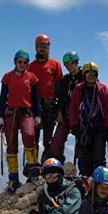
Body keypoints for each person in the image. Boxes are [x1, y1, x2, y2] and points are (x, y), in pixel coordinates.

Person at [0, 50, 42, 193]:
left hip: (26, 112)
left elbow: (35, 98)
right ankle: (13, 179)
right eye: (19, 61)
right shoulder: (7, 77)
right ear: (15, 62)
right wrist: (0, 117)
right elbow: (3, 98)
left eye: (25, 62)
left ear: (27, 64)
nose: (22, 64)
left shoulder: (32, 78)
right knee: (11, 145)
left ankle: (34, 172)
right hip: (10, 113)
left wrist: (37, 115)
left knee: (29, 136)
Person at [68, 61, 108, 179]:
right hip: (83, 128)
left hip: (99, 127)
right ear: (84, 75)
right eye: (89, 74)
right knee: (83, 157)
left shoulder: (102, 89)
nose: (91, 77)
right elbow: (72, 108)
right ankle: (85, 182)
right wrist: (74, 125)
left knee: (98, 157)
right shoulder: (78, 89)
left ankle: (100, 182)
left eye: (93, 74)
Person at [28, 34, 63, 167]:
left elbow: (60, 89)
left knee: (48, 140)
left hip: (50, 106)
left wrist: (60, 109)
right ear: (36, 48)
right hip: (35, 107)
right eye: (40, 46)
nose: (43, 49)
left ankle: (47, 167)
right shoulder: (30, 67)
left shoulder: (55, 65)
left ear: (49, 48)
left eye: (45, 46)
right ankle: (33, 167)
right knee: (33, 139)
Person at [48, 51, 83, 163]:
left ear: (76, 62)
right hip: (66, 116)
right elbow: (61, 97)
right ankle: (59, 167)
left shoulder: (85, 77)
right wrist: (59, 112)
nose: (69, 66)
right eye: (66, 64)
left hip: (81, 118)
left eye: (71, 63)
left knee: (82, 147)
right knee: (55, 144)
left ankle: (84, 173)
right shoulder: (65, 80)